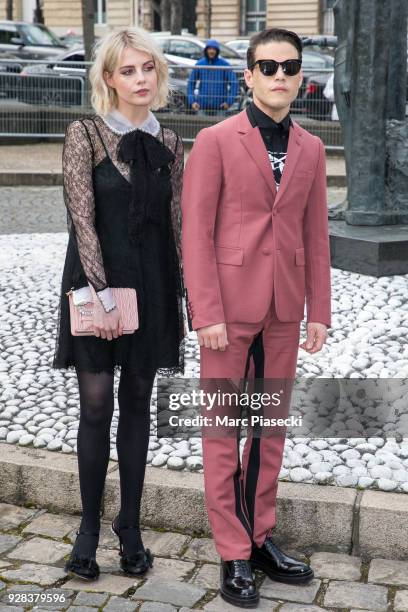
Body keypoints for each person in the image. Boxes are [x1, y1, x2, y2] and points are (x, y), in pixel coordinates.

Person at [181, 27, 331, 608]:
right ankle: (232, 551)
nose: (278, 76)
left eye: (288, 67)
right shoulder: (216, 141)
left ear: (300, 76)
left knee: (269, 430)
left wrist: (318, 310)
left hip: (283, 312)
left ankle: (260, 535)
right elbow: (195, 234)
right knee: (222, 430)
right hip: (227, 313)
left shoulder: (312, 150)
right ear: (247, 75)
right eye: (266, 66)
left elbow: (315, 236)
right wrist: (206, 312)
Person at [52, 27, 185, 580]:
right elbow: (81, 220)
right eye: (127, 71)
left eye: (147, 69)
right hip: (95, 287)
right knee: (96, 408)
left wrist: (190, 296)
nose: (139, 79)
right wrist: (103, 296)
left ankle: (129, 529)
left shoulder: (173, 143)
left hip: (152, 288)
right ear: (108, 78)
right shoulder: (84, 134)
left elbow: (176, 229)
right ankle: (87, 529)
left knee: (137, 406)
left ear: (158, 75)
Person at [187, 39, 239, 115]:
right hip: (202, 106)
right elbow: (191, 83)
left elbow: (234, 83)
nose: (211, 51)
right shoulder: (200, 64)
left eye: (214, 49)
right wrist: (193, 101)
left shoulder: (225, 65)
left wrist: (229, 102)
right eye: (209, 49)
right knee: (202, 126)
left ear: (217, 51)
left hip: (220, 106)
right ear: (206, 50)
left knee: (220, 127)